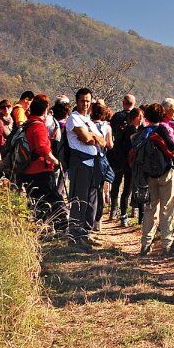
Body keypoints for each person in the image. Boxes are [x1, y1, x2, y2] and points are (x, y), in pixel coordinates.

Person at [134, 102, 174, 256]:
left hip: (148, 176)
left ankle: (146, 244)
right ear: (162, 115)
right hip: (166, 172)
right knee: (167, 208)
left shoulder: (142, 131)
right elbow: (172, 147)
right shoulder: (163, 129)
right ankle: (167, 244)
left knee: (150, 209)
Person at [65, 87, 108, 241]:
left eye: (88, 101)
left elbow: (103, 142)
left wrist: (93, 136)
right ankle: (75, 235)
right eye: (82, 100)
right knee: (79, 201)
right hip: (80, 164)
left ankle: (86, 233)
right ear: (76, 102)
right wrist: (93, 136)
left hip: (93, 164)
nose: (85, 103)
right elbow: (86, 139)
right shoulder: (74, 118)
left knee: (91, 201)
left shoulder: (88, 120)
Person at [19, 95, 67, 233]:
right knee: (54, 199)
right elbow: (43, 149)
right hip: (41, 169)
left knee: (36, 201)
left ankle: (40, 229)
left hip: (27, 169)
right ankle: (61, 228)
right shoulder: (39, 126)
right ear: (45, 110)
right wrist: (56, 161)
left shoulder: (28, 124)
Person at [108, 95, 139, 226]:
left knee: (116, 183)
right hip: (130, 158)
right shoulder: (135, 120)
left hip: (118, 155)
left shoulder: (116, 117)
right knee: (128, 187)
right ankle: (124, 214)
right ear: (134, 103)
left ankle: (113, 209)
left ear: (123, 103)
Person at [90, 103, 115, 224]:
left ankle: (89, 216)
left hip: (88, 158)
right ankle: (97, 219)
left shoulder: (87, 125)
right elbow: (110, 145)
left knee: (88, 188)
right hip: (101, 159)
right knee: (99, 188)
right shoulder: (107, 127)